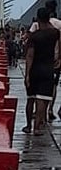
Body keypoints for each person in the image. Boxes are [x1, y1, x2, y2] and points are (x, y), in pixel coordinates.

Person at [24, 7, 61, 135]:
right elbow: (59, 47)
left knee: (31, 99)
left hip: (34, 69)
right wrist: (59, 59)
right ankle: (37, 128)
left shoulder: (34, 37)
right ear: (48, 18)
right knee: (42, 100)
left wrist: (27, 74)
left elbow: (29, 56)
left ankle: (28, 126)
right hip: (48, 69)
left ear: (38, 19)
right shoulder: (55, 33)